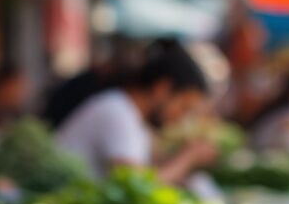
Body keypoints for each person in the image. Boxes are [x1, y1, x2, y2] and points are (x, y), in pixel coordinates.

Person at [55, 38, 216, 183]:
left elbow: (146, 168)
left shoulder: (132, 116)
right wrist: (187, 158)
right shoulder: (117, 111)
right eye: (183, 107)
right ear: (163, 89)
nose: (181, 118)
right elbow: (135, 184)